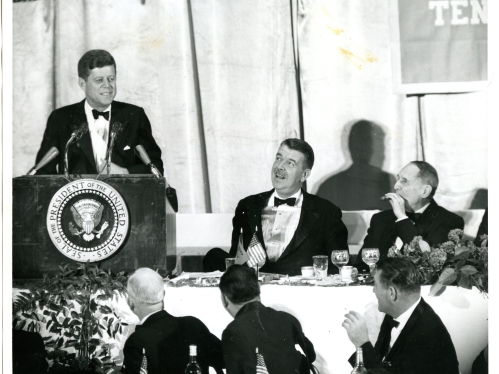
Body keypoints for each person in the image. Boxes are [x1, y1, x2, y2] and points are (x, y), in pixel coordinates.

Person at [203, 138, 349, 275]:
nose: (279, 167)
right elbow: (236, 259)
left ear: (304, 175)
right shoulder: (247, 206)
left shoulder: (327, 212)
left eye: (290, 163)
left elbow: (337, 269)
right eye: (279, 158)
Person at [35, 49, 163, 175]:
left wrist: (126, 172)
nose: (107, 85)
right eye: (99, 80)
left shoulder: (135, 116)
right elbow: (43, 171)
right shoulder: (60, 118)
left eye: (111, 79)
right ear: (82, 84)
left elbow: (156, 168)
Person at [342, 258, 459, 374]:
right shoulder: (394, 314)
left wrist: (362, 343)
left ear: (392, 293)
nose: (374, 290)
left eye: (376, 285)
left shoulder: (426, 333)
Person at [355, 161, 464, 272]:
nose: (396, 186)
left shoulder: (450, 221)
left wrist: (402, 219)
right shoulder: (380, 219)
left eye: (404, 181)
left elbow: (428, 261)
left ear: (425, 191)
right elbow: (361, 266)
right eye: (398, 179)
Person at [121, 268, 224, 374]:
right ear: (164, 295)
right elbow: (224, 359)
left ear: (130, 303)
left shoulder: (137, 340)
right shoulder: (194, 324)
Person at [219, 265, 316, 374]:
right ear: (259, 288)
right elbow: (311, 356)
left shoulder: (233, 331)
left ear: (224, 298)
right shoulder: (287, 318)